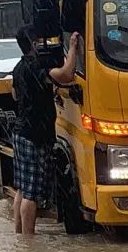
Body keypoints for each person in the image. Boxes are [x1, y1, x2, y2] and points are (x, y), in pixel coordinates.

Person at [9, 27, 81, 235]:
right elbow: (66, 75)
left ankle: (19, 235)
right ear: (33, 44)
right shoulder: (37, 66)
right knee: (31, 194)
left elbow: (15, 95)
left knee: (22, 188)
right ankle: (29, 242)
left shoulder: (19, 67)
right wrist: (74, 48)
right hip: (35, 136)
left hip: (20, 132)